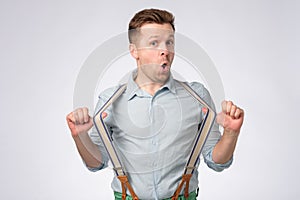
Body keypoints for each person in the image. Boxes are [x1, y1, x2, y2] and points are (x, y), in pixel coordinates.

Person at [66, 8, 244, 200]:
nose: (165, 51)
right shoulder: (109, 101)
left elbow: (217, 161)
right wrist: (80, 136)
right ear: (134, 51)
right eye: (154, 43)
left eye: (169, 42)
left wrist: (231, 134)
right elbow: (96, 163)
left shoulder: (198, 97)